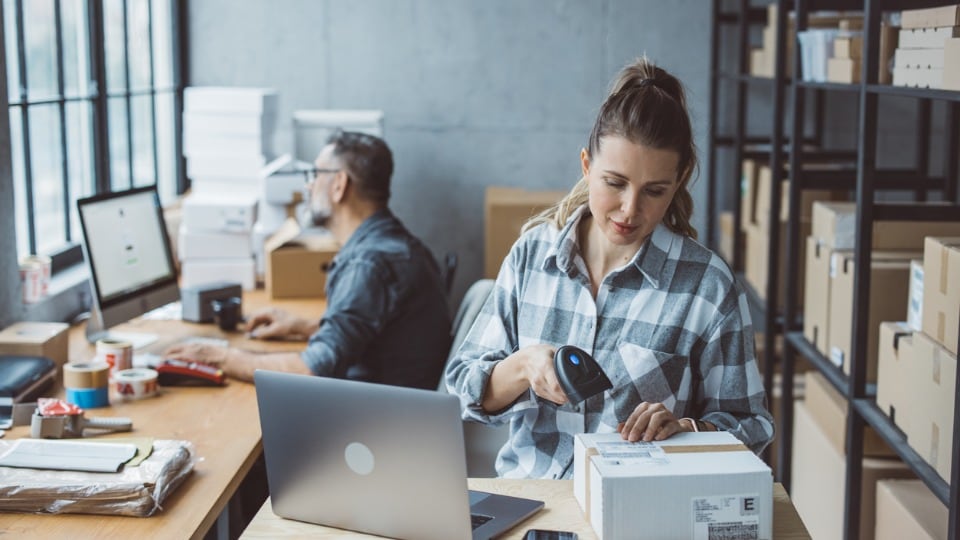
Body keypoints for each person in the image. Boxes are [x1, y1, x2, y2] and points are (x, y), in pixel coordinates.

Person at [445, 57, 774, 480]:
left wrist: (688, 430)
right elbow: (464, 391)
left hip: (635, 511)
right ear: (586, 165)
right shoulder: (532, 256)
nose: (630, 209)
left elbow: (752, 427)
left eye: (654, 191)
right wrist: (524, 366)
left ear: (680, 180)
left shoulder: (706, 287)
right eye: (614, 183)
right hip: (533, 503)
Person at [165, 130, 452, 390]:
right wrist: (302, 326)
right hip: (398, 407)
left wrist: (219, 356)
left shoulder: (368, 264)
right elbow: (379, 332)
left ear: (339, 184)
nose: (308, 186)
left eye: (315, 174)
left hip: (372, 427)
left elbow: (312, 371)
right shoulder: (397, 244)